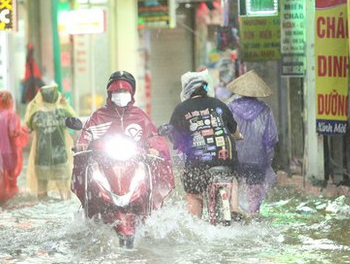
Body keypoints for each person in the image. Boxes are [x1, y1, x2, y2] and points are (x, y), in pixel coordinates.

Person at [75, 70, 174, 209]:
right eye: (117, 90)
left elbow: (153, 135)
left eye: (124, 90)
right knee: (91, 182)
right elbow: (87, 133)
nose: (120, 94)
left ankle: (149, 208)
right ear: (110, 93)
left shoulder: (139, 115)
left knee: (148, 179)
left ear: (131, 93)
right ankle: (91, 209)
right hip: (104, 163)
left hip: (135, 162)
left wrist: (155, 148)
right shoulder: (98, 115)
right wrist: (82, 143)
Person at [168, 69, 240, 217]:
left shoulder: (181, 109)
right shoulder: (219, 104)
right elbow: (234, 129)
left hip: (198, 161)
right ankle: (234, 207)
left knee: (193, 193)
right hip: (225, 156)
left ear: (187, 90)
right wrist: (239, 136)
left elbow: (174, 136)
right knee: (232, 177)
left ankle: (197, 223)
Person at [226, 69, 278, 214]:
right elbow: (271, 139)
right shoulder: (265, 111)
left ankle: (235, 213)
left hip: (234, 157)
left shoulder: (229, 107)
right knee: (254, 195)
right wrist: (268, 161)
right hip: (256, 159)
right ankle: (252, 216)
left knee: (234, 189)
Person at [24, 82, 77, 200]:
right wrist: (65, 104)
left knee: (42, 187)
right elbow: (74, 120)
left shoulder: (36, 114)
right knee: (63, 187)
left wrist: (33, 106)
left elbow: (27, 125)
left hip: (41, 157)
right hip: (61, 156)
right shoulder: (62, 112)